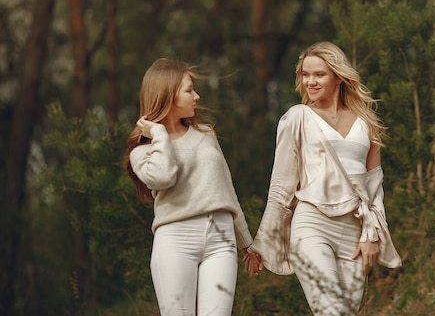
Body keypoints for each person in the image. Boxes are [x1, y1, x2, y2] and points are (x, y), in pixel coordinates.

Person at [245, 42, 402, 316]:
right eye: (305, 75)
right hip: (312, 224)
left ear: (338, 76)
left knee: (348, 311)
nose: (310, 82)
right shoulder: (297, 118)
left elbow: (374, 187)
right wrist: (262, 242)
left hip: (355, 230)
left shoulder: (367, 122)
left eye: (319, 74)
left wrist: (371, 233)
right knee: (331, 311)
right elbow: (281, 186)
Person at [123, 58, 254, 316]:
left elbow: (227, 190)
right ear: (167, 95)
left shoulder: (206, 134)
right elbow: (163, 177)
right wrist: (160, 135)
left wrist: (246, 243)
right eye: (189, 90)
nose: (197, 96)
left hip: (221, 238)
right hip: (176, 240)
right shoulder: (143, 152)